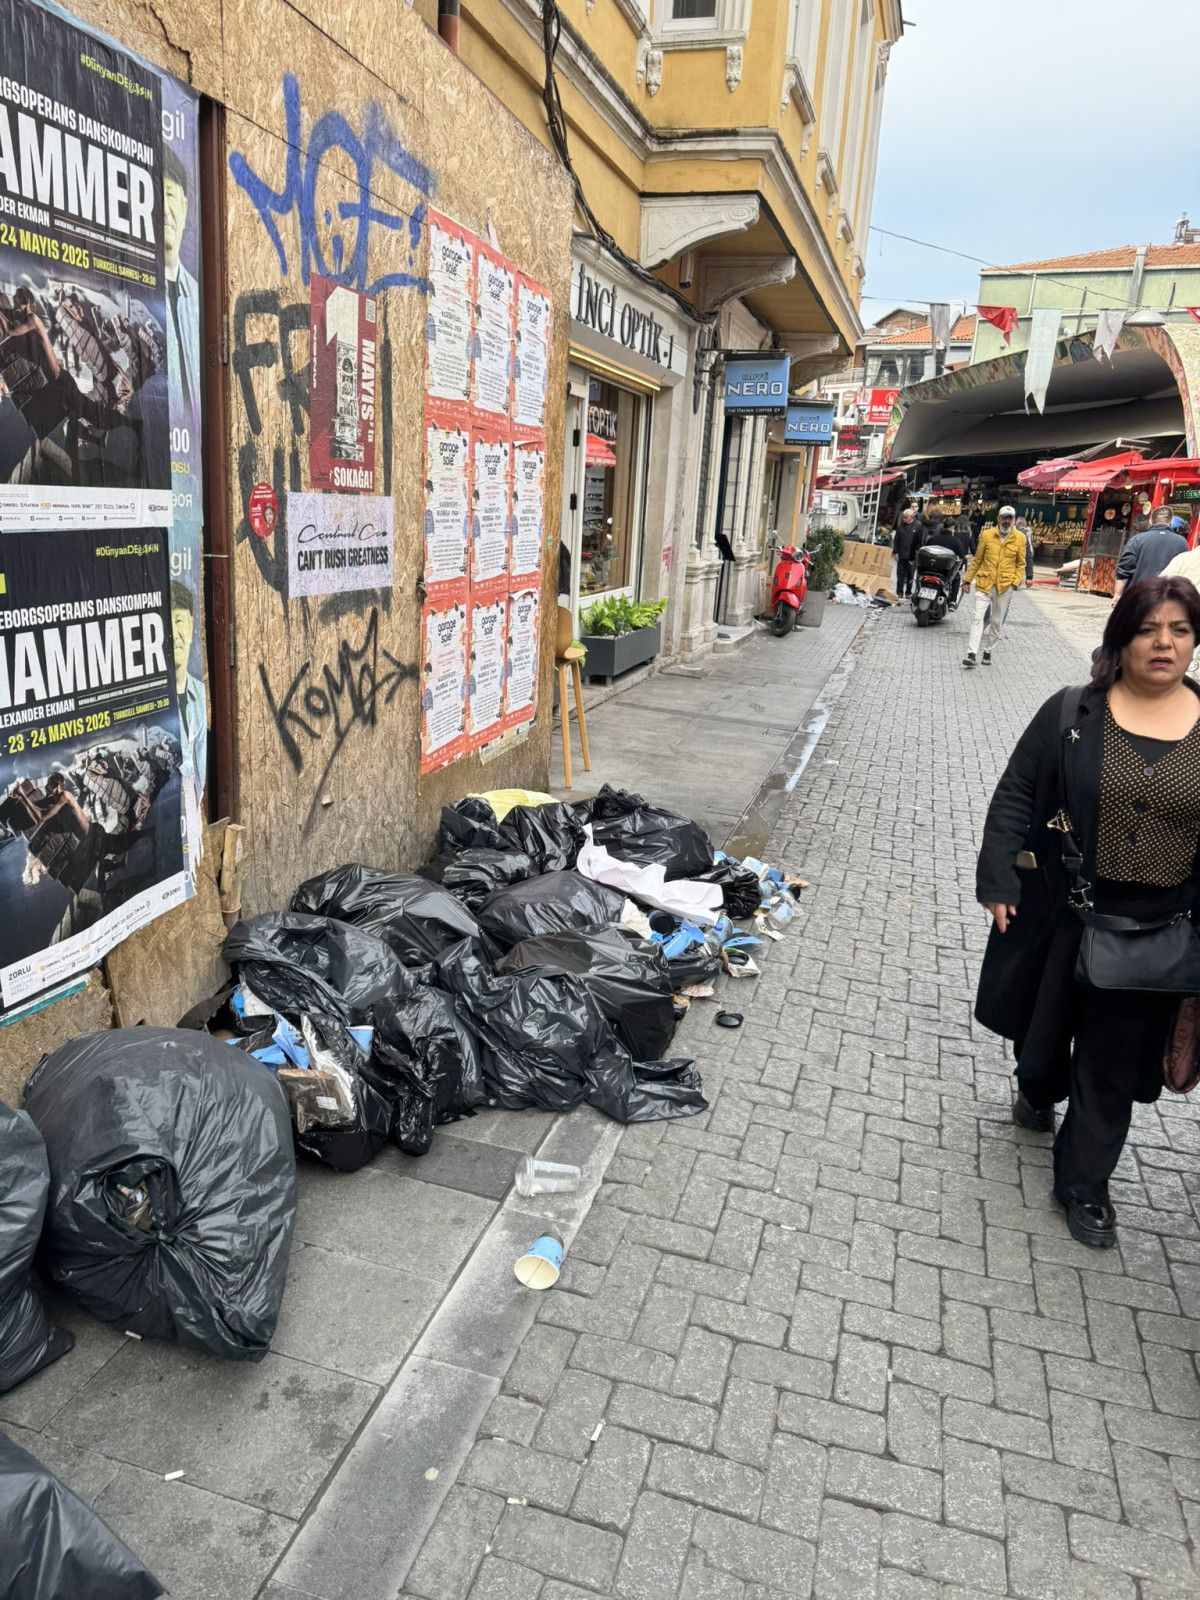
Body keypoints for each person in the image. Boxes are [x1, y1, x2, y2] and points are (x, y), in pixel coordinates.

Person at [974, 577, 1200, 1248]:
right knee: (1043, 1036)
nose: (1164, 643)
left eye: (1180, 630)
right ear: (1120, 639)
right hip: (1065, 909)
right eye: (1148, 629)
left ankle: (1084, 1184)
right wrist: (1000, 880)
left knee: (1110, 1061)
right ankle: (1036, 1088)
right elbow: (1017, 791)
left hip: (1156, 927)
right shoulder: (1073, 711)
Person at [961, 504, 1026, 667]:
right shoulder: (987, 535)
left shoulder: (1020, 538)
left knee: (997, 621)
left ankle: (988, 651)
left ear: (1013, 521)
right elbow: (978, 559)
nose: (1007, 521)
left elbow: (1021, 563)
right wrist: (967, 580)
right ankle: (971, 653)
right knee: (977, 618)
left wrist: (1015, 581)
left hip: (1004, 586)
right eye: (1004, 517)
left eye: (1010, 518)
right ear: (998, 519)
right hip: (985, 583)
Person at [1113, 509, 1188, 601]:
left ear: (1151, 521)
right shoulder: (1182, 542)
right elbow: (1184, 572)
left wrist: (1117, 594)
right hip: (1167, 598)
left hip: (1138, 595)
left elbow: (1124, 568)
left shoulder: (1137, 539)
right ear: (1170, 521)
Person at [891, 505, 921, 598]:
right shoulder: (901, 525)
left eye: (905, 517)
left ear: (911, 517)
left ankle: (908, 592)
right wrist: (895, 552)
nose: (903, 519)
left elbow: (919, 542)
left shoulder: (918, 526)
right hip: (901, 554)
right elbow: (896, 539)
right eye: (903, 517)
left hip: (912, 556)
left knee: (910, 576)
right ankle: (899, 593)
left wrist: (917, 555)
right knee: (900, 575)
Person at [1015, 516, 1036, 583]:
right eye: (1019, 523)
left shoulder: (1027, 533)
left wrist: (1029, 577)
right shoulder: (1011, 533)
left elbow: (1028, 556)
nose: (1021, 525)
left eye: (1022, 523)